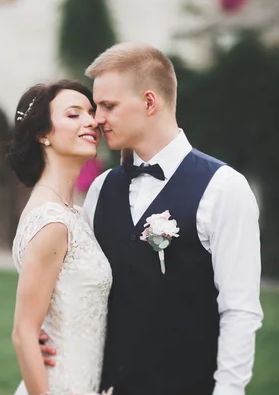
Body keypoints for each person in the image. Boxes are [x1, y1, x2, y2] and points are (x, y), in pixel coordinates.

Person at [40, 43, 264, 395]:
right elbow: (82, 285)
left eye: (108, 106)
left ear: (149, 102)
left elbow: (240, 310)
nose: (97, 118)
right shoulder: (100, 190)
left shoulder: (224, 189)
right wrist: (47, 331)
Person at [7, 80, 113, 395]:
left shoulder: (74, 214)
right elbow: (23, 333)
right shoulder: (52, 222)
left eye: (91, 113)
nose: (91, 121)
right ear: (43, 134)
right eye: (73, 114)